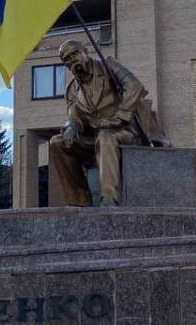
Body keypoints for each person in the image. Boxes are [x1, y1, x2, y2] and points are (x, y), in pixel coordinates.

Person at [47, 39, 167, 207]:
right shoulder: (71, 89)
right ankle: (79, 200)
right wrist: (71, 127)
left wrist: (119, 116)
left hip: (125, 132)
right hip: (95, 139)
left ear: (85, 52)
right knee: (57, 143)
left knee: (105, 136)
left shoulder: (108, 65)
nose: (72, 60)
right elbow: (74, 117)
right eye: (66, 59)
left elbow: (134, 86)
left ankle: (109, 198)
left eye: (74, 54)